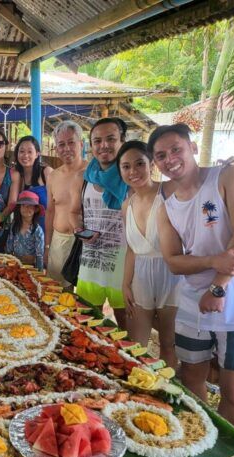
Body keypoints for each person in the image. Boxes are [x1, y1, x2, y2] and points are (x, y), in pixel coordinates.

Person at [152, 123, 234, 428]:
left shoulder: (228, 177)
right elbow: (173, 261)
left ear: (192, 147)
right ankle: (200, 437)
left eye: (176, 148)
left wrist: (218, 287)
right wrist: (214, 260)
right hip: (192, 303)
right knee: (191, 376)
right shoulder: (167, 205)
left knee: (233, 390)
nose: (170, 158)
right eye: (161, 155)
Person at [118, 141, 179, 368]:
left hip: (172, 277)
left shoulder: (169, 192)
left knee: (168, 344)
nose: (133, 172)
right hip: (140, 278)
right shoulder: (127, 205)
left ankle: (170, 396)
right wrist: (125, 284)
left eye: (139, 164)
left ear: (151, 164)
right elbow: (132, 249)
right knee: (135, 346)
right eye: (125, 167)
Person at [70, 117, 129, 328]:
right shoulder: (83, 178)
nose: (104, 145)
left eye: (111, 139)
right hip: (90, 266)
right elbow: (74, 212)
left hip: (124, 267)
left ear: (122, 140)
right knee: (87, 327)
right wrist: (79, 230)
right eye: (97, 141)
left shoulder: (132, 176)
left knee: (127, 329)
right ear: (91, 145)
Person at [45, 121, 87, 287]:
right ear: (56, 148)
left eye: (71, 142)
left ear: (81, 144)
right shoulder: (53, 176)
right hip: (59, 241)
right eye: (61, 144)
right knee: (57, 294)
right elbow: (50, 212)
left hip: (85, 242)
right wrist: (47, 246)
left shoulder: (92, 172)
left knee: (86, 298)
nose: (66, 148)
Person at [14, 135, 53, 231]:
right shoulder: (16, 176)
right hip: (24, 234)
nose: (25, 155)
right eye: (22, 151)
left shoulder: (46, 172)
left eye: (30, 151)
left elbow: (59, 204)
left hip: (47, 231)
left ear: (37, 154)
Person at [6, 190, 45, 269]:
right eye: (23, 205)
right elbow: (8, 249)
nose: (26, 208)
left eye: (30, 205)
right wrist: (7, 265)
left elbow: (39, 256)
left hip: (31, 267)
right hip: (14, 265)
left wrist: (39, 274)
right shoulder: (14, 226)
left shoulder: (38, 230)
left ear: (36, 209)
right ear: (19, 208)